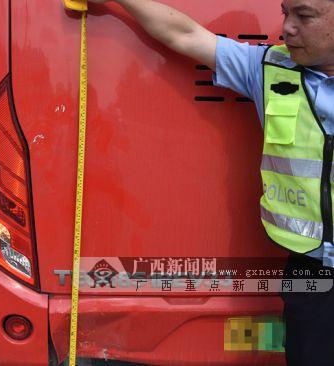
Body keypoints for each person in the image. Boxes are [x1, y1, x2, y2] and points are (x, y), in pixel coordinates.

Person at [87, 0, 334, 364]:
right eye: (285, 13)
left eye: (304, 15)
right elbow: (184, 34)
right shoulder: (267, 68)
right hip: (313, 278)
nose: (287, 27)